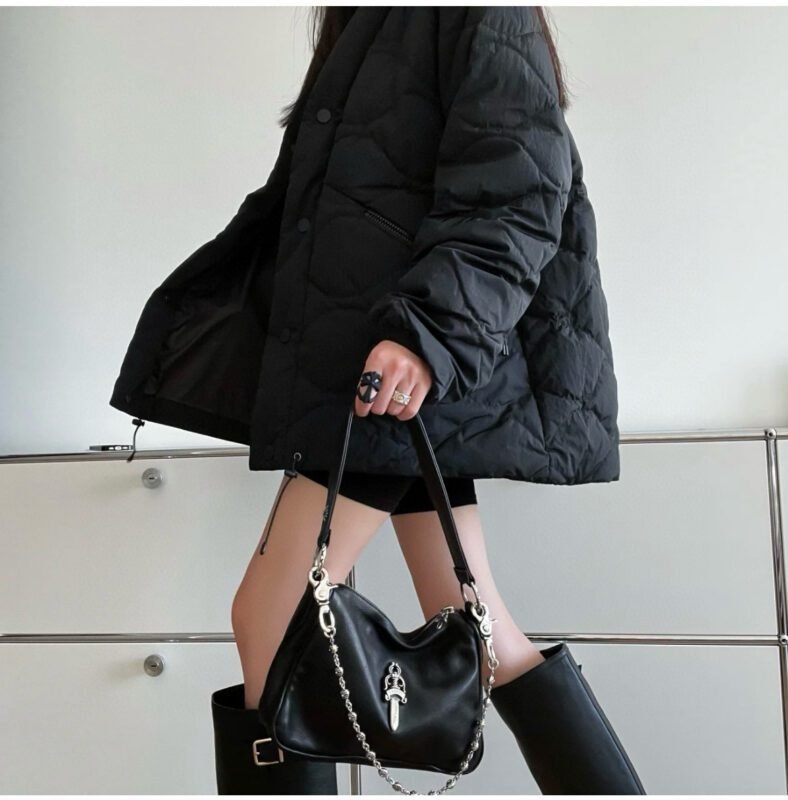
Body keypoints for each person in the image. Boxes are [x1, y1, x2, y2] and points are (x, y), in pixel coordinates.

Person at [110, 6, 646, 795]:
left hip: (400, 371)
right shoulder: (369, 18)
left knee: (270, 621)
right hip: (388, 369)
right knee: (483, 630)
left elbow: (518, 188)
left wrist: (429, 333)